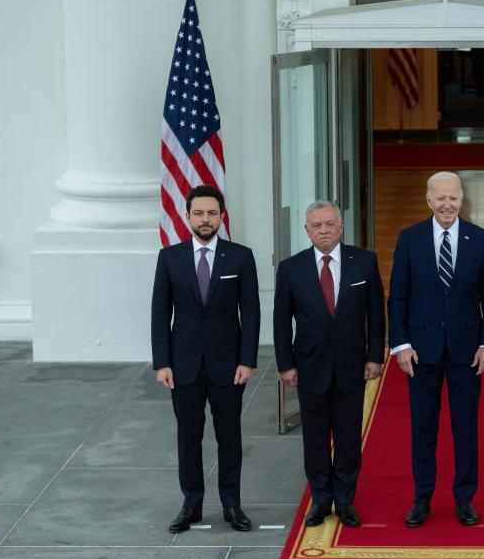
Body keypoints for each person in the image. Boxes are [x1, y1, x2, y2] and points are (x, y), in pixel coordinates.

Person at [388, 171, 484, 528]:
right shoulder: (409, 238)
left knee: (465, 427)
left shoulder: (480, 239)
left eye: (453, 197)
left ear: (462, 199)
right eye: (440, 197)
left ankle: (464, 497)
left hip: (467, 351)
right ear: (428, 200)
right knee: (423, 427)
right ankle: (422, 498)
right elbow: (398, 297)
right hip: (421, 352)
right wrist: (401, 344)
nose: (447, 204)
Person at [151, 184, 260, 533]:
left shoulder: (240, 257)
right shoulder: (169, 257)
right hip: (182, 365)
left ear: (221, 216)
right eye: (198, 213)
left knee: (230, 437)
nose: (205, 219)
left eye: (212, 213)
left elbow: (252, 313)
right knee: (189, 437)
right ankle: (191, 503)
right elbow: (159, 314)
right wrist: (162, 362)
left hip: (228, 366)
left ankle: (232, 504)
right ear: (187, 216)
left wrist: (247, 360)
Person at [273, 200, 385, 528]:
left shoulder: (364, 262)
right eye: (316, 225)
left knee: (349, 436)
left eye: (329, 224)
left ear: (341, 226)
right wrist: (285, 365)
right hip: (309, 367)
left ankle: (346, 500)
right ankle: (321, 500)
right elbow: (282, 323)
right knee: (316, 438)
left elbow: (376, 315)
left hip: (352, 366)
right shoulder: (291, 268)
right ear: (307, 231)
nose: (324, 230)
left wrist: (375, 356)